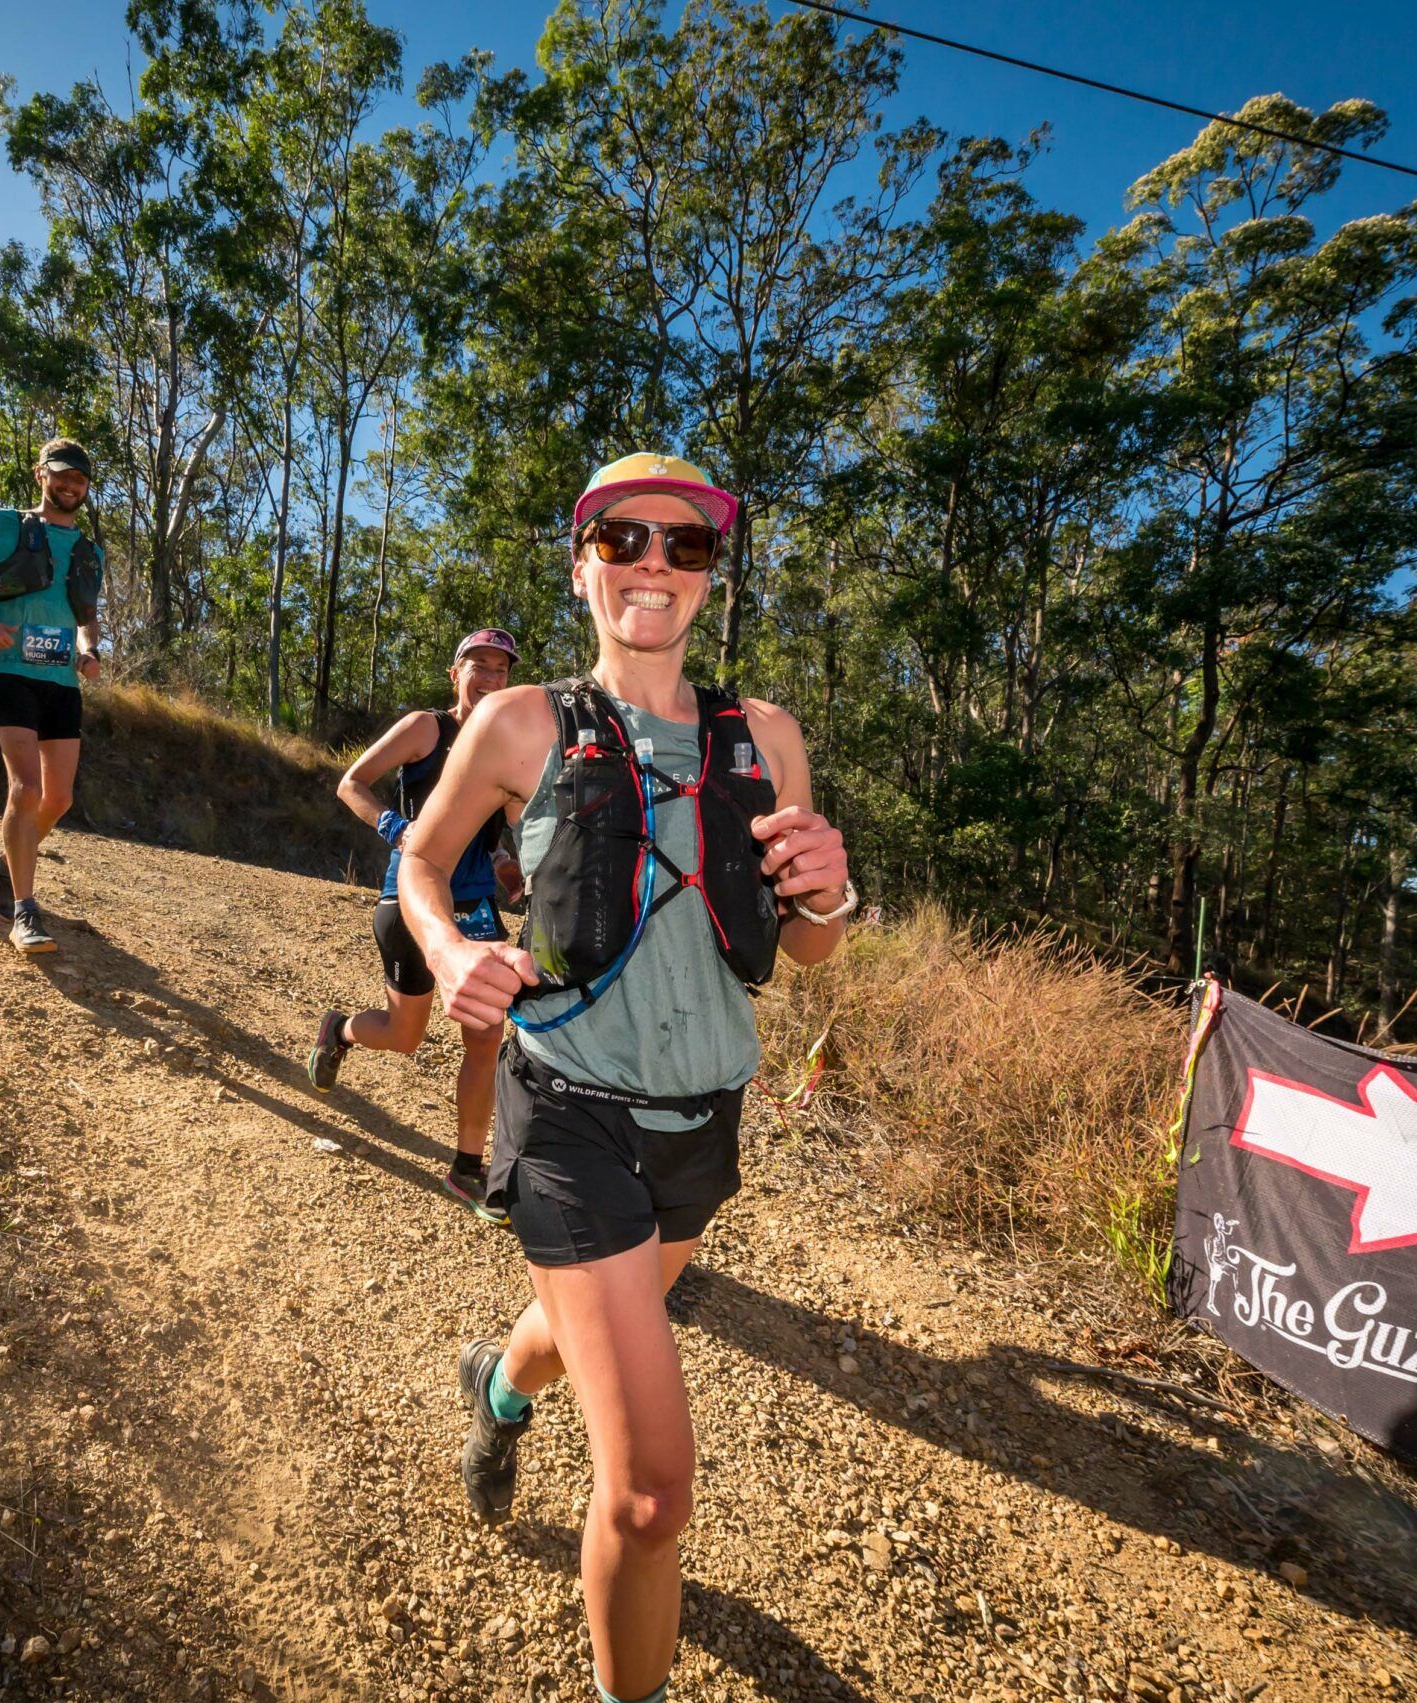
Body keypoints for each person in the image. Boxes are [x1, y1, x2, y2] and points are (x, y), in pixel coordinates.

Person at [398, 454, 857, 1703]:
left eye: (686, 544)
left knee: (583, 1333)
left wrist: (832, 892)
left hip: (702, 1121)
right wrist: (446, 951)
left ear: (709, 574)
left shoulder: (763, 737)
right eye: (623, 538)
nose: (653, 562)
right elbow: (423, 863)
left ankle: (492, 1386)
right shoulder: (520, 722)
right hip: (565, 1115)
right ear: (582, 561)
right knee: (652, 1490)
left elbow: (805, 945)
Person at [307, 628, 527, 1219]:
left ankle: (467, 1168)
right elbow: (350, 783)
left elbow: (501, 828)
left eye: (501, 670)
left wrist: (509, 865)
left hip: (476, 903)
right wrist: (394, 830)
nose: (490, 676)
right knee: (406, 1038)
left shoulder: (507, 744)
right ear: (456, 674)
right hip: (410, 897)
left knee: (486, 1035)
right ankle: (342, 1030)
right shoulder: (427, 728)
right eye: (477, 664)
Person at [0, 438, 105, 957]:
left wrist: (90, 650)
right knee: (26, 788)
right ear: (41, 475)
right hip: (7, 671)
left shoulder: (88, 550)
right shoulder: (3, 523)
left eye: (79, 481)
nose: (70, 487)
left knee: (59, 799)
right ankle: (24, 910)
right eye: (62, 477)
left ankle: (0, 870)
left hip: (59, 680)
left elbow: (86, 618)